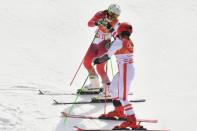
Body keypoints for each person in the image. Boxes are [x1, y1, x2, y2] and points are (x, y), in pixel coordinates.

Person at [93, 22, 143, 130]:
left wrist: (97, 60)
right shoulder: (127, 40)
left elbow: (106, 56)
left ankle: (132, 121)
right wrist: (109, 27)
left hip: (125, 71)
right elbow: (116, 35)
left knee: (123, 97)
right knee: (113, 89)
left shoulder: (117, 42)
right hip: (125, 70)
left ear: (120, 31)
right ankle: (119, 111)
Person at [82, 4, 121, 96]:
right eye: (111, 13)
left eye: (115, 15)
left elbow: (118, 36)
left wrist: (110, 31)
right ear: (108, 11)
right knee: (86, 62)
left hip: (104, 44)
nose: (112, 17)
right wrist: (97, 22)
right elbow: (89, 23)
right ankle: (94, 85)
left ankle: (107, 91)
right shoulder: (100, 14)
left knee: (100, 67)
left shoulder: (116, 22)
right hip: (95, 42)